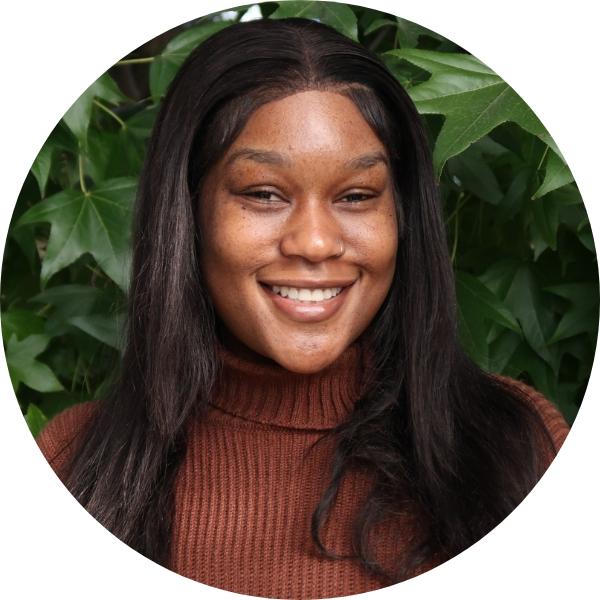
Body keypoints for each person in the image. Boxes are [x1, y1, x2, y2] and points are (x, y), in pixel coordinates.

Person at [35, 17, 569, 599]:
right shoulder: (74, 467)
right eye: (264, 193)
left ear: (403, 217)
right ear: (186, 212)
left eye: (357, 196)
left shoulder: (518, 448)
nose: (314, 243)